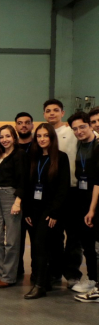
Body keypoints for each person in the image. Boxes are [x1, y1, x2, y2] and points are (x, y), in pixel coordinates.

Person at [23, 124, 70, 299]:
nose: (42, 139)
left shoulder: (61, 157)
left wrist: (55, 213)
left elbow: (63, 188)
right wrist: (27, 210)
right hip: (34, 209)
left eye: (45, 136)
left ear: (52, 138)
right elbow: (27, 186)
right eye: (39, 136)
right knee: (38, 247)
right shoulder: (32, 158)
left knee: (41, 244)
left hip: (50, 210)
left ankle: (40, 285)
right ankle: (44, 280)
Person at [44, 99, 81, 288]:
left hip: (73, 190)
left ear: (62, 113)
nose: (52, 113)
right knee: (54, 236)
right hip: (53, 193)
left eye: (56, 110)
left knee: (74, 235)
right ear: (44, 114)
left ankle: (73, 274)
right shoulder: (44, 135)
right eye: (48, 110)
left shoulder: (72, 132)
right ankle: (55, 272)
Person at [0, 125, 26, 288]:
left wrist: (18, 201)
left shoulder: (19, 155)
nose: (4, 140)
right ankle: (0, 273)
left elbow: (23, 180)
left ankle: (9, 276)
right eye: (2, 137)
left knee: (11, 240)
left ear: (14, 138)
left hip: (11, 196)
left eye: (8, 136)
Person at [66, 112, 98, 293]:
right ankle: (93, 279)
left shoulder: (98, 146)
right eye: (75, 129)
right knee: (86, 243)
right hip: (81, 198)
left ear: (90, 126)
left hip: (96, 198)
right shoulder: (76, 146)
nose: (79, 131)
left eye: (82, 127)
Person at [15, 112, 35, 279]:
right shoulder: (12, 147)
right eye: (20, 123)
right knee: (17, 237)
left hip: (35, 198)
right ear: (16, 126)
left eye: (27, 123)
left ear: (32, 125)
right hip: (16, 198)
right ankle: (17, 270)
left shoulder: (38, 145)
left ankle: (37, 271)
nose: (23, 126)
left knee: (36, 238)